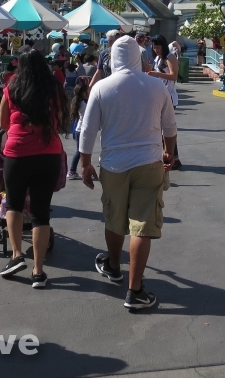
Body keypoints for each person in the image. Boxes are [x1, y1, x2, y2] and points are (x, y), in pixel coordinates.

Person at [79, 35, 176, 311]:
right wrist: (169, 152)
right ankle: (135, 291)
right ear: (137, 56)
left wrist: (85, 163)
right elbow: (170, 126)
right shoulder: (156, 86)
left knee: (114, 217)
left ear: (112, 57)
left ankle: (112, 265)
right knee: (142, 225)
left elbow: (88, 130)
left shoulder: (101, 87)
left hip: (113, 165)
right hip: (149, 162)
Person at [0, 50, 66, 288]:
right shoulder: (54, 88)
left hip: (18, 153)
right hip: (48, 153)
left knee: (14, 204)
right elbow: (59, 117)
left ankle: (16, 255)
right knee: (41, 213)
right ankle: (38, 271)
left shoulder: (12, 89)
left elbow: (3, 123)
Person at [148, 35, 181, 171]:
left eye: (158, 47)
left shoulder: (170, 57)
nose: (156, 50)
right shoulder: (157, 58)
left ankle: (173, 157)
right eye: (154, 47)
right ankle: (173, 157)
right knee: (162, 129)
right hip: (159, 95)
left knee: (167, 128)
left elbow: (174, 76)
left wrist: (156, 74)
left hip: (169, 96)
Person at [67, 77, 90, 180]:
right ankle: (72, 171)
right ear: (83, 93)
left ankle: (74, 171)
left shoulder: (79, 101)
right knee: (80, 151)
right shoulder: (84, 105)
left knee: (81, 151)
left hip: (79, 130)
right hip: (81, 130)